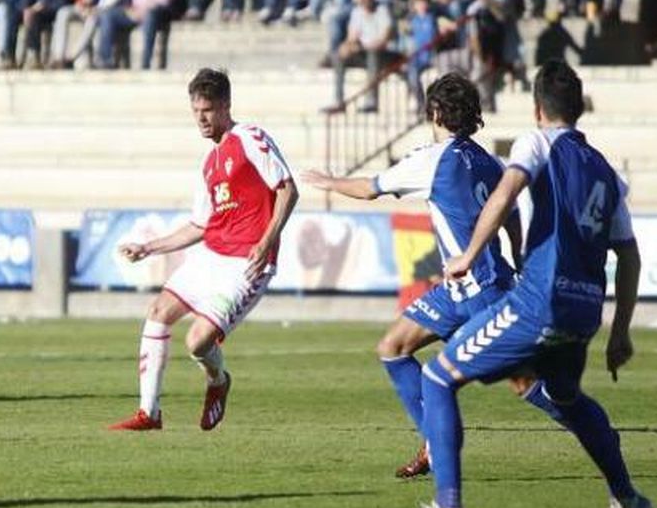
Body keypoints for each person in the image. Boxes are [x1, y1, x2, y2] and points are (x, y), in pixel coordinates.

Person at [396, 61, 651, 508]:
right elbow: (630, 256)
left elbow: (505, 194)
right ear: (579, 108)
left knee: (436, 376)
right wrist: (621, 333)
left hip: (538, 303)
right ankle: (627, 497)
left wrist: (468, 254)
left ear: (537, 109)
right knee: (568, 397)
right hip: (583, 311)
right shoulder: (607, 173)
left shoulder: (536, 143)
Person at [301, 73, 529, 480]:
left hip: (481, 292)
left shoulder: (433, 158)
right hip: (461, 287)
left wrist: (329, 181)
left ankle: (586, 424)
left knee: (522, 381)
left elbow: (371, 188)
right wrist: (518, 256)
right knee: (393, 346)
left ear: (435, 111)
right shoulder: (489, 161)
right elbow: (509, 214)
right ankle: (434, 443)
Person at [110, 68, 299, 432]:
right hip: (212, 256)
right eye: (195, 111)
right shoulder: (209, 163)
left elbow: (287, 189)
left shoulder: (250, 137)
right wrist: (148, 247)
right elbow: (200, 225)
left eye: (208, 110)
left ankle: (218, 381)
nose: (201, 118)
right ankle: (149, 413)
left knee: (197, 342)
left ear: (226, 106)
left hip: (247, 263)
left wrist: (267, 239)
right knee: (158, 311)